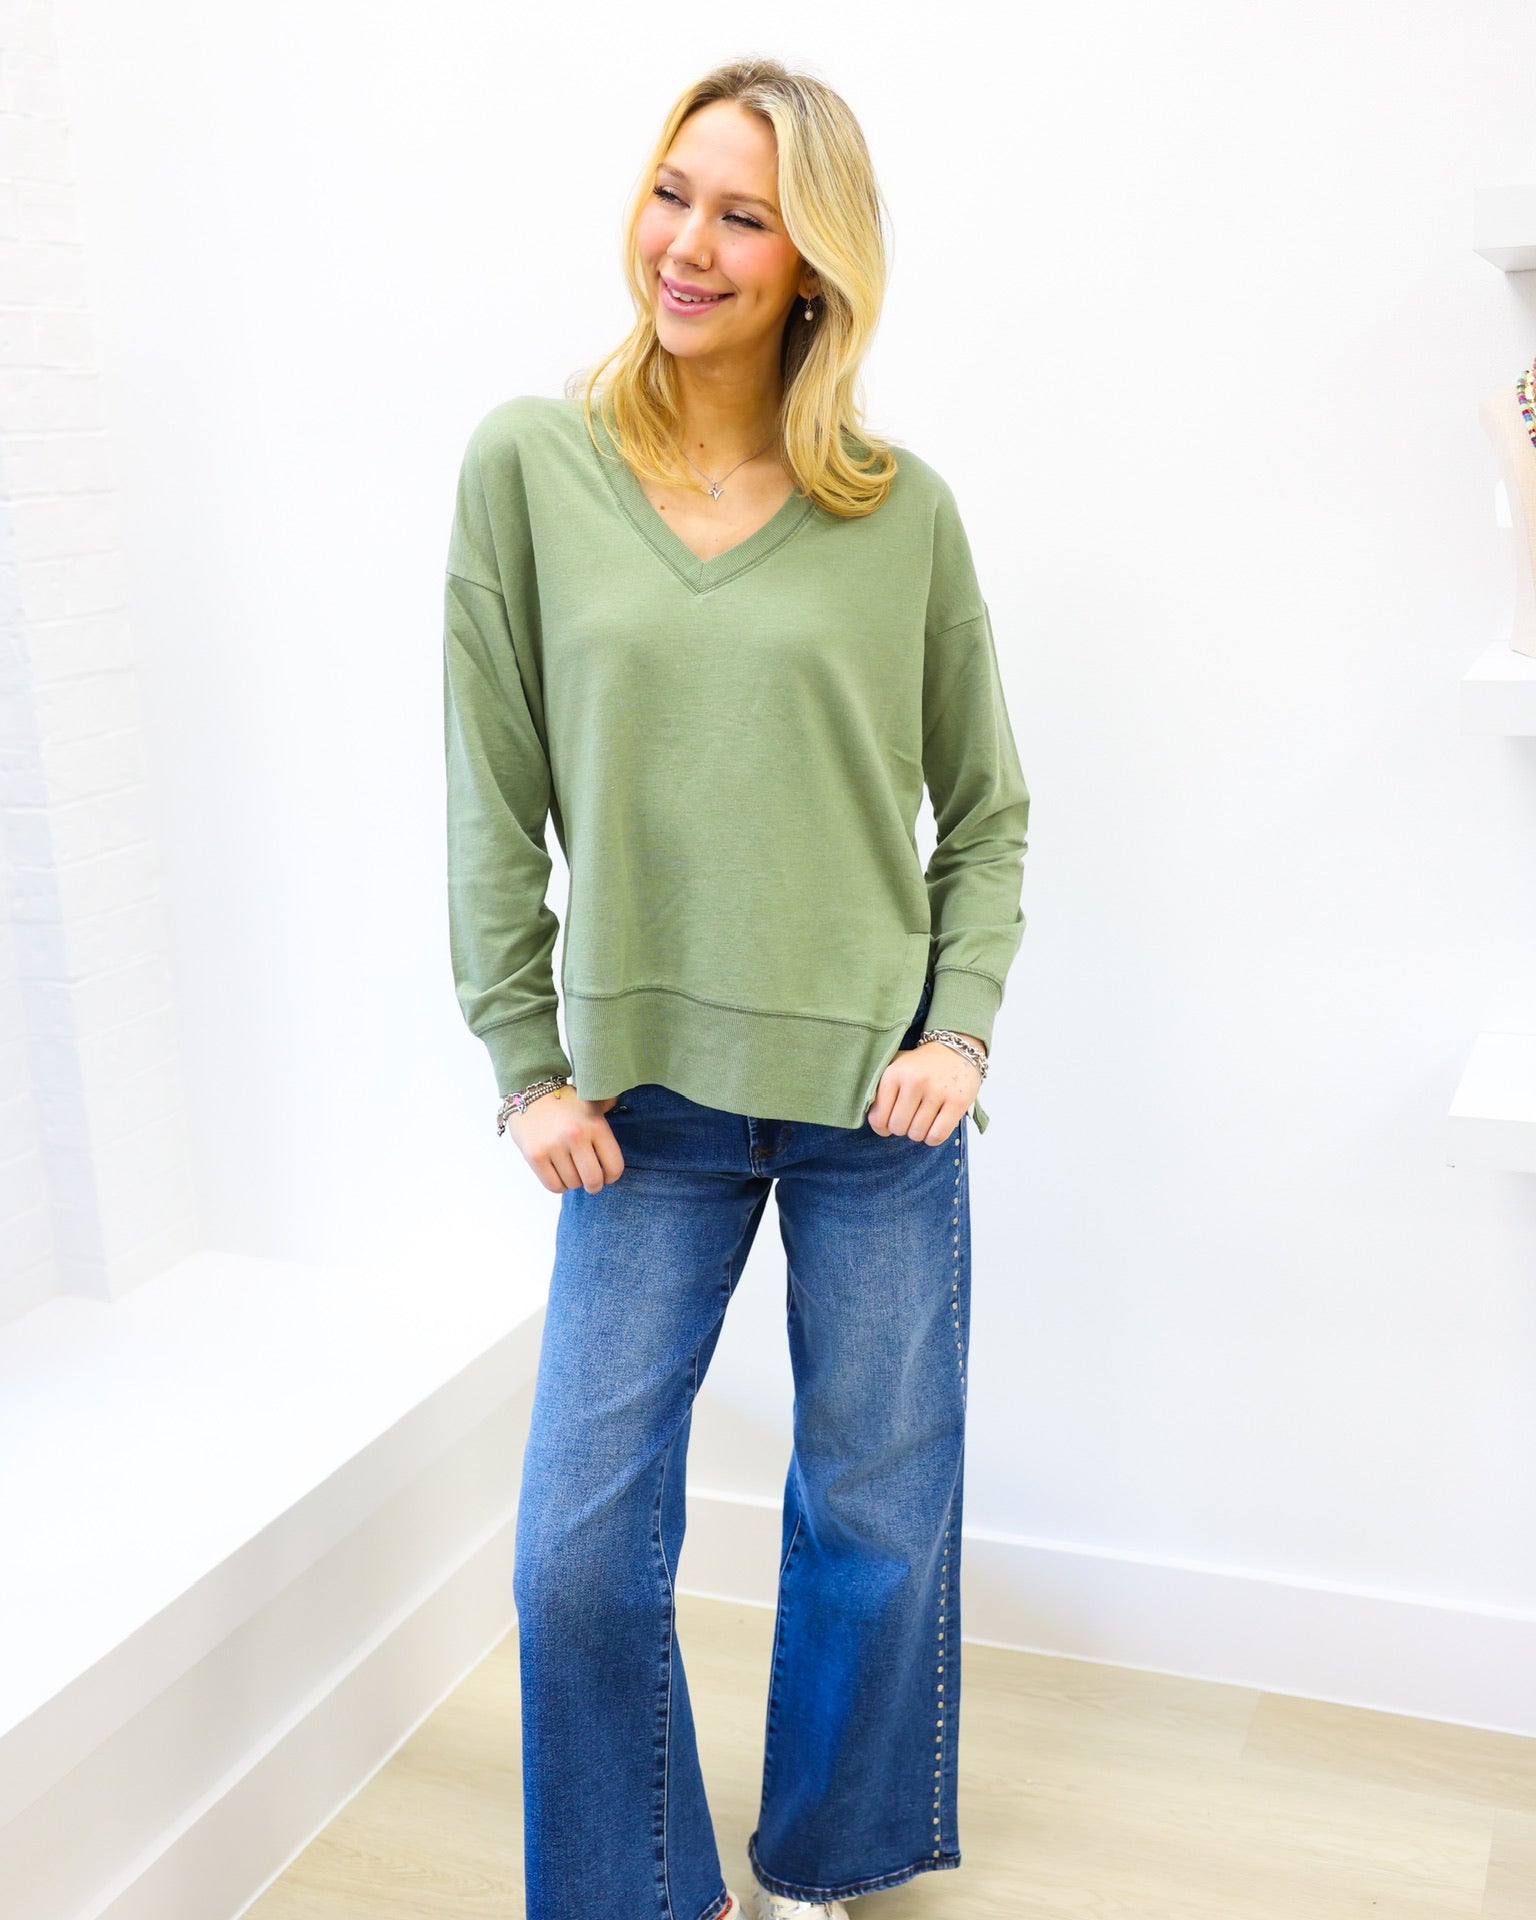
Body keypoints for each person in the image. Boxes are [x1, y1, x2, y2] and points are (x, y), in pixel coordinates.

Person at [441, 53, 1031, 1920]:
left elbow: (989, 813)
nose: (687, 242)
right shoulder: (530, 466)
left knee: (871, 1519)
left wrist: (955, 1030)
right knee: (577, 1553)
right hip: (641, 1114)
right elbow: (489, 787)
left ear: (814, 266)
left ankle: (827, 1866)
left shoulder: (899, 511)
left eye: (745, 214)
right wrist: (525, 1060)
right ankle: (640, 1890)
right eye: (673, 191)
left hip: (877, 1107)